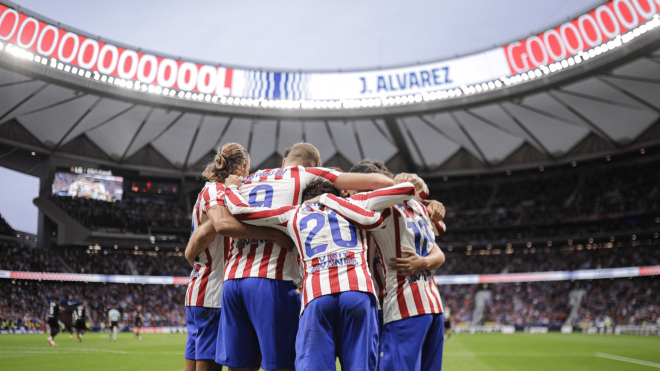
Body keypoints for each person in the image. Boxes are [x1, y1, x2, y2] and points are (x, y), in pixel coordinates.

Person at [191, 141, 395, 371]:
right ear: (314, 166)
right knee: (281, 364)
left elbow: (215, 225)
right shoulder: (304, 174)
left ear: (284, 161)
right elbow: (376, 182)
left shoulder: (248, 178)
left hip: (232, 281)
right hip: (271, 279)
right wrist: (400, 182)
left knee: (241, 366)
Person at [225, 176, 417, 371]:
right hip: (358, 292)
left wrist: (231, 187)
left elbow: (240, 211)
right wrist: (332, 200)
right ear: (335, 193)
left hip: (316, 296)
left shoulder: (293, 213)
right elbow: (408, 189)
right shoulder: (354, 202)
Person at [322, 167, 447, 371]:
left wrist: (322, 198)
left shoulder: (381, 210)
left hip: (400, 305)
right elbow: (440, 227)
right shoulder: (418, 208)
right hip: (426, 303)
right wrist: (424, 196)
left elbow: (439, 251)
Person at [184, 143, 294, 371]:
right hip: (212, 294)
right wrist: (272, 234)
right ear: (243, 166)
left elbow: (199, 239)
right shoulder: (216, 191)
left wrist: (190, 253)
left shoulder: (208, 191)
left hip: (201, 291)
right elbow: (223, 225)